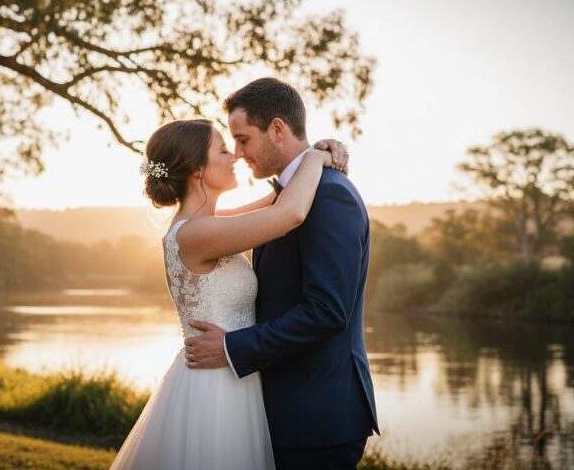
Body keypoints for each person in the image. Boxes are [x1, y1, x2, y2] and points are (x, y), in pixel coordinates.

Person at [109, 106, 349, 470]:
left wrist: (310, 154)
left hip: (233, 374)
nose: (234, 155)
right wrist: (314, 158)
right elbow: (289, 215)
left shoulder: (205, 225)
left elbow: (278, 201)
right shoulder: (195, 234)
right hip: (215, 388)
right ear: (196, 169)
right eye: (223, 149)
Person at [185, 77, 379, 470]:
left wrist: (231, 347)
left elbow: (327, 311)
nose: (237, 153)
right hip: (282, 408)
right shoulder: (289, 196)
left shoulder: (330, 196)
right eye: (230, 145)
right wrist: (317, 155)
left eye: (243, 139)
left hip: (316, 416)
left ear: (277, 129)